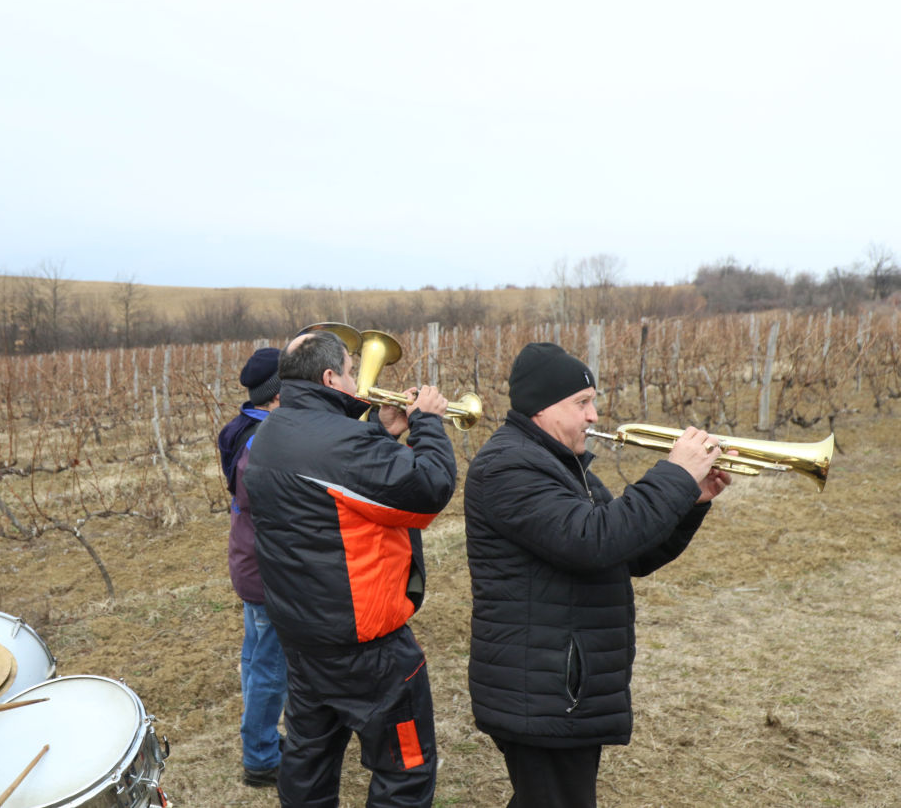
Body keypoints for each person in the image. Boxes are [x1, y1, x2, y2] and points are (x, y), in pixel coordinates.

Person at [464, 342, 733, 808]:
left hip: (560, 682)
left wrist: (690, 501)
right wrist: (673, 475)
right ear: (543, 408)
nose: (593, 416)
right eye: (581, 403)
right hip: (542, 686)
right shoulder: (507, 466)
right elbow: (592, 540)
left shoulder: (561, 465)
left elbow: (630, 553)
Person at [244, 330, 457, 807]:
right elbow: (429, 491)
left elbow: (330, 488)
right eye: (349, 368)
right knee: (404, 773)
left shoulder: (272, 432)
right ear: (327, 377)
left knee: (308, 763)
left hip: (303, 639)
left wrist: (379, 432)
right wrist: (427, 424)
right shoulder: (345, 442)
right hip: (368, 650)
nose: (358, 377)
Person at [217, 346, 286, 787]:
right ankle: (261, 757)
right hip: (266, 571)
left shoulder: (240, 427)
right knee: (269, 666)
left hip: (247, 561)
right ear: (277, 397)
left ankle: (259, 741)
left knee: (254, 656)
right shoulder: (264, 444)